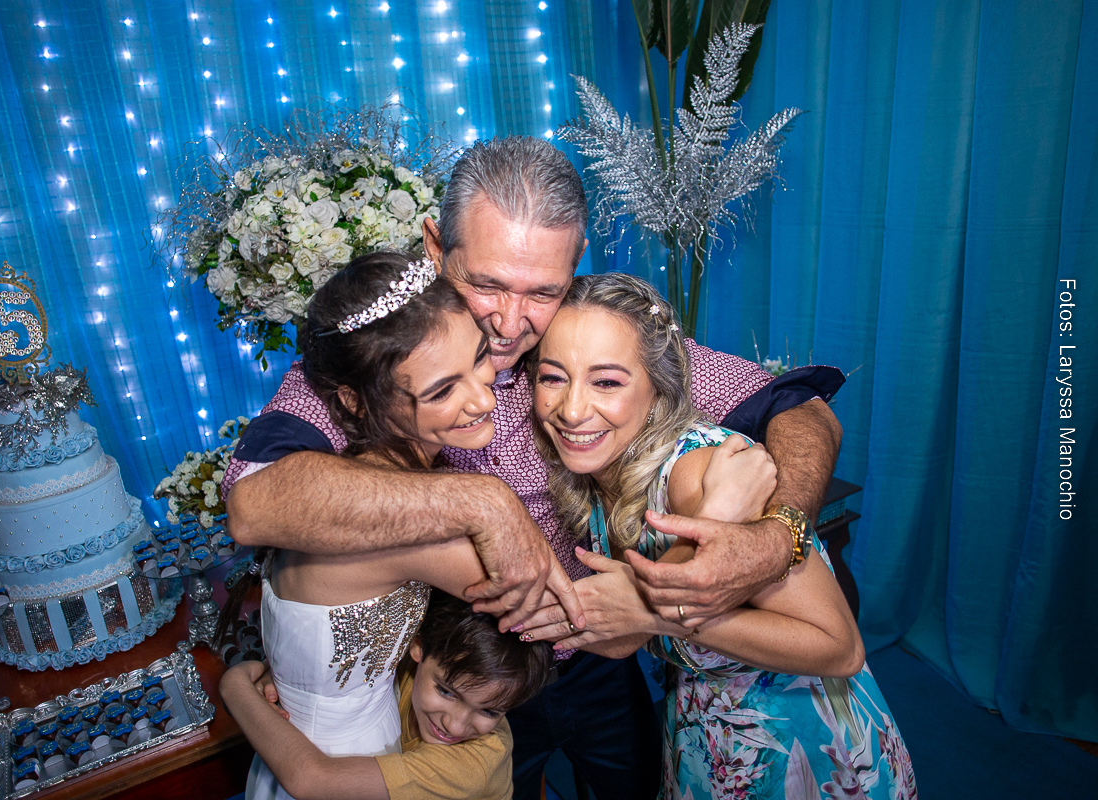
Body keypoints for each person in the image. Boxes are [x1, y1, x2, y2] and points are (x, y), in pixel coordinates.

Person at [222, 136, 845, 799]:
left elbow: (801, 409)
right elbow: (254, 503)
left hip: (600, 657)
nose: (510, 323)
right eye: (487, 284)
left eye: (542, 291)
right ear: (435, 246)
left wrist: (779, 533)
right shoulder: (376, 356)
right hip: (461, 679)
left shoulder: (587, 338)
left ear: (574, 265)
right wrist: (484, 503)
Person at [524, 273, 917, 800]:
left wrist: (653, 612)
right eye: (553, 377)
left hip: (809, 749)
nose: (572, 410)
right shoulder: (595, 477)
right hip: (707, 737)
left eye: (607, 382)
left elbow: (839, 647)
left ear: (657, 388)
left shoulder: (697, 474)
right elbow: (618, 637)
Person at [242, 250, 554, 800]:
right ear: (356, 403)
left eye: (480, 358)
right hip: (335, 761)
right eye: (442, 390)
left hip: (344, 738)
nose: (484, 397)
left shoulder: (360, 482)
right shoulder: (402, 523)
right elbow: (559, 609)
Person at [221, 590, 554, 800]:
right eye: (446, 691)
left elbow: (308, 780)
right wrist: (275, 672)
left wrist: (233, 685)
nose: (455, 725)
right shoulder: (402, 662)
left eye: (489, 711)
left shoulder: (473, 766)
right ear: (417, 648)